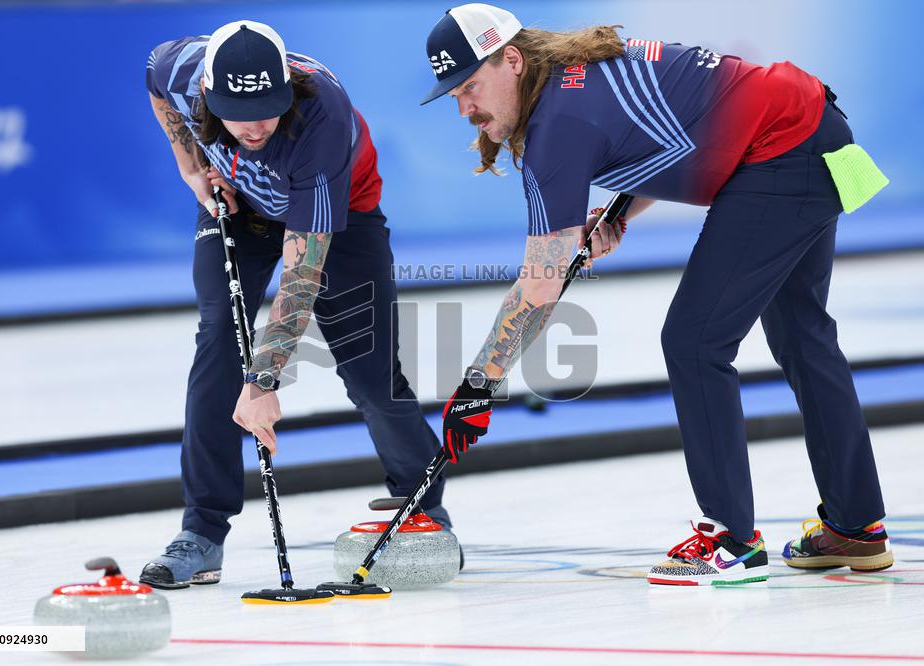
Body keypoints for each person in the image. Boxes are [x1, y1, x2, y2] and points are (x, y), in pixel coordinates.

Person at [422, 3, 892, 585]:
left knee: (695, 341)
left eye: (470, 85)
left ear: (512, 61)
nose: (465, 108)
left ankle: (732, 540)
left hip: (782, 151)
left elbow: (540, 282)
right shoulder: (576, 74)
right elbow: (678, 128)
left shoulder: (557, 127)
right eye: (453, 95)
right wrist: (621, 209)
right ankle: (856, 526)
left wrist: (478, 384)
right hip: (812, 129)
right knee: (802, 336)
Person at [140, 20, 450, 589]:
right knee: (218, 340)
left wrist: (263, 384)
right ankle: (202, 531)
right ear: (208, 92)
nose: (256, 125)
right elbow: (155, 80)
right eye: (238, 111)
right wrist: (190, 166)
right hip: (241, 210)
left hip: (340, 219)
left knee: (369, 374)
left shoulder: (321, 116)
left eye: (268, 108)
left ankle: (423, 513)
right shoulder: (178, 68)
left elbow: (302, 274)